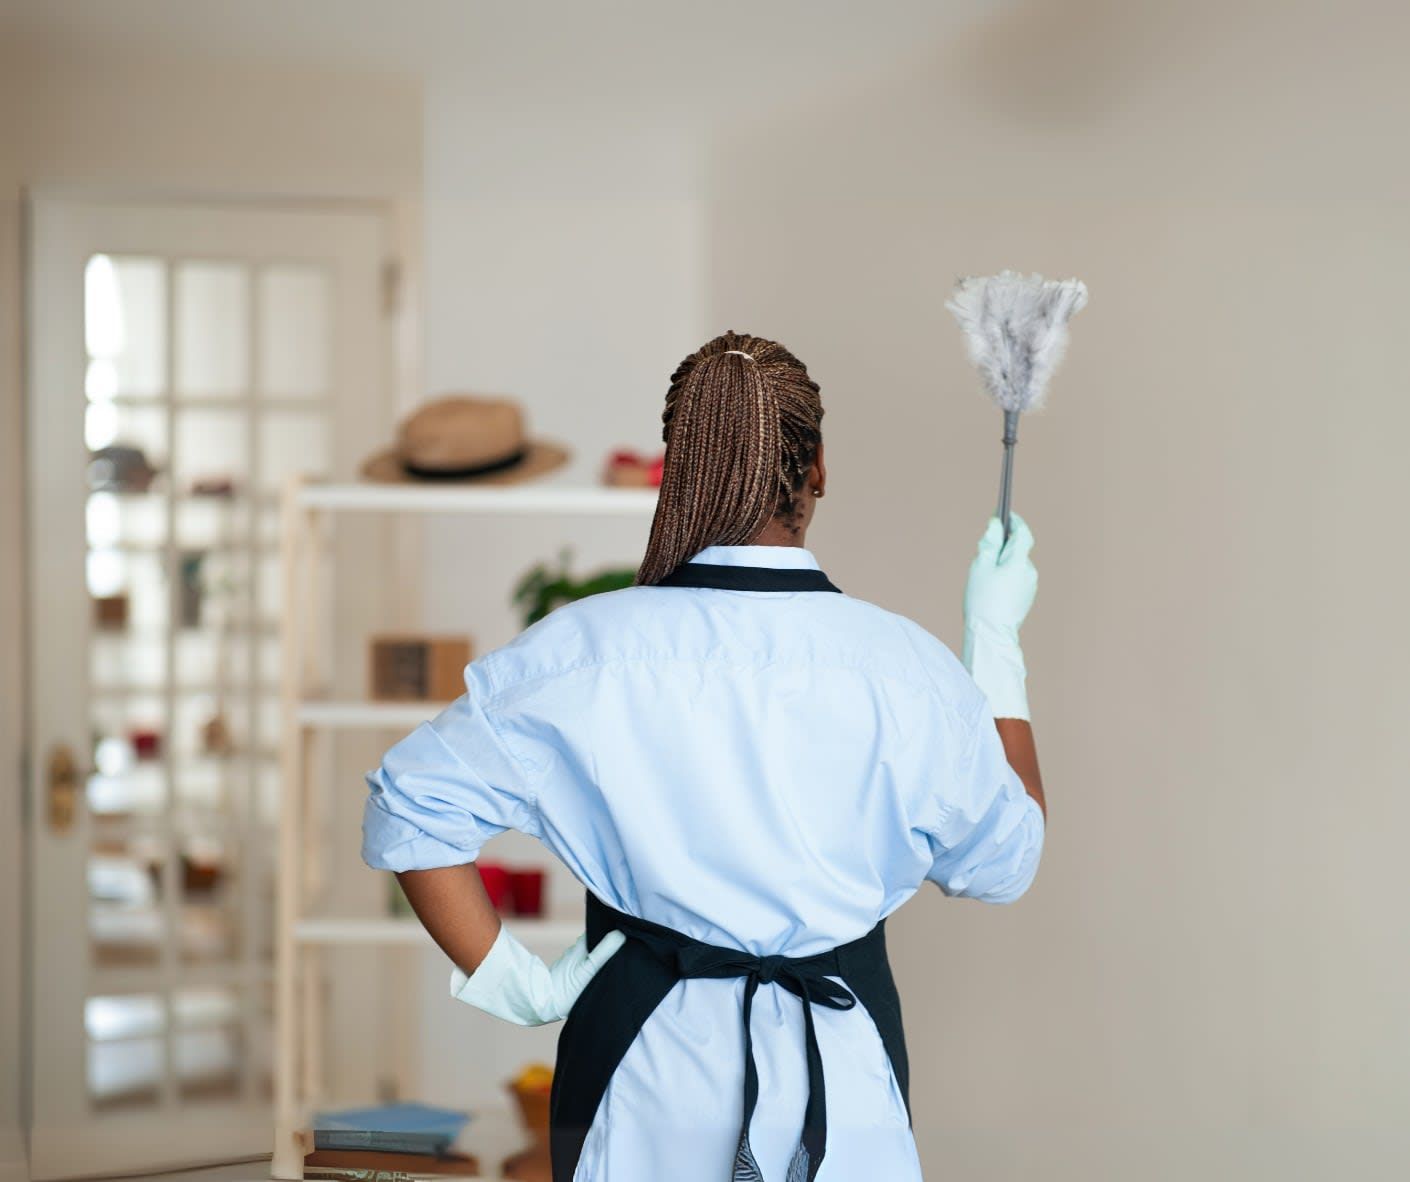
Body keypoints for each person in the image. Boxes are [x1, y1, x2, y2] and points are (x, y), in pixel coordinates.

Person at [361, 331, 1046, 1182]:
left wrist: (511, 981)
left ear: (678, 466)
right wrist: (996, 643)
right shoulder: (909, 671)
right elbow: (1007, 862)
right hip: (847, 1084)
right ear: (820, 466)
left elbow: (409, 806)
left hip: (641, 1071)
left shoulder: (583, 650)